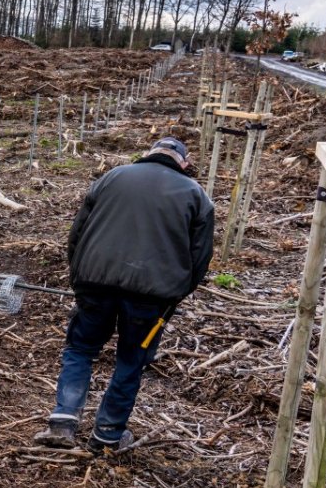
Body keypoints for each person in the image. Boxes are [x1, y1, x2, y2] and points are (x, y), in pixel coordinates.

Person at [35, 137, 214, 454]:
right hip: (152, 297)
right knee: (131, 361)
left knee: (81, 347)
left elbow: (77, 234)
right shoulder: (197, 196)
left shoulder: (112, 177)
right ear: (183, 163)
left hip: (95, 283)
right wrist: (174, 296)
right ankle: (107, 434)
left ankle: (63, 421)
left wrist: (80, 277)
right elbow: (200, 259)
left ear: (148, 155)